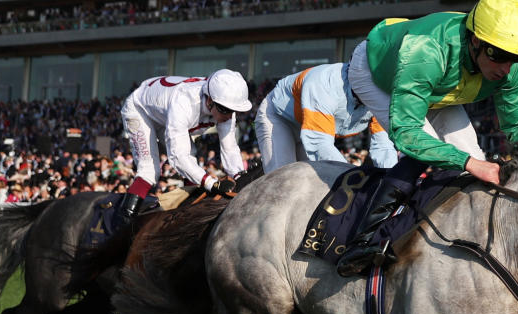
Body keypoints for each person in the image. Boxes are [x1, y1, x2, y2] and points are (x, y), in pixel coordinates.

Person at [336, 0, 518, 276]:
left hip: (440, 87)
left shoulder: (509, 70)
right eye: (499, 55)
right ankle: (363, 240)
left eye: (516, 58)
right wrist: (470, 163)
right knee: (436, 153)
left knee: (472, 158)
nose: (506, 69)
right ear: (476, 40)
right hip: (376, 72)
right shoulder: (426, 50)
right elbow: (407, 134)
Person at [117, 69, 250, 224]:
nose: (229, 116)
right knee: (149, 170)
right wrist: (211, 183)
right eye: (225, 110)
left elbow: (230, 147)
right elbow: (177, 157)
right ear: (209, 101)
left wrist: (239, 175)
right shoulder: (185, 103)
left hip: (164, 111)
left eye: (234, 111)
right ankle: (123, 223)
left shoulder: (222, 104)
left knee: (192, 157)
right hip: (140, 110)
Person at [254, 62, 396, 173]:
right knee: (283, 181)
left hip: (310, 128)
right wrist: (353, 177)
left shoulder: (381, 96)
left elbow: (383, 146)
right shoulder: (324, 83)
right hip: (279, 119)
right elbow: (319, 143)